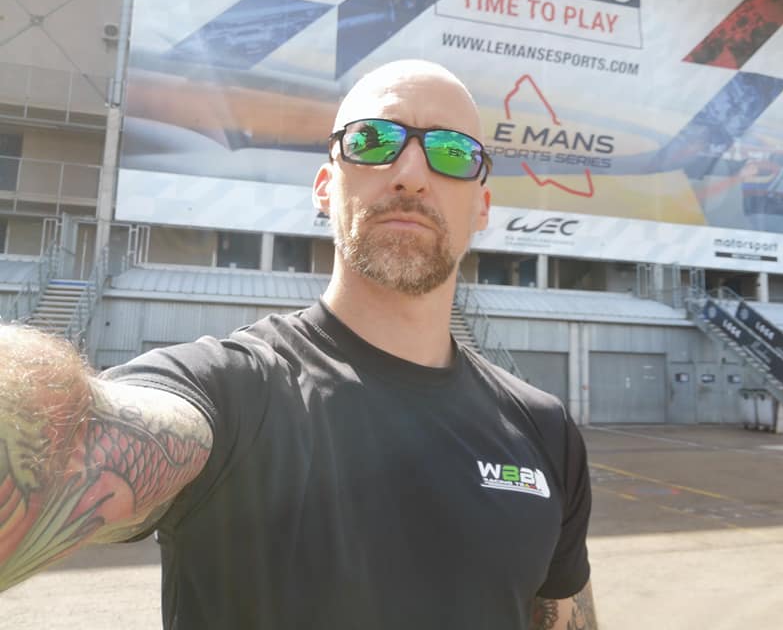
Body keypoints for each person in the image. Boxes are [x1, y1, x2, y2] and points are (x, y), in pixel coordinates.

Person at [0, 60, 596, 629]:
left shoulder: (545, 431)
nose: (411, 173)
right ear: (324, 186)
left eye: (453, 152)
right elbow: (74, 433)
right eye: (372, 141)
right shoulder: (232, 391)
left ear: (482, 208)